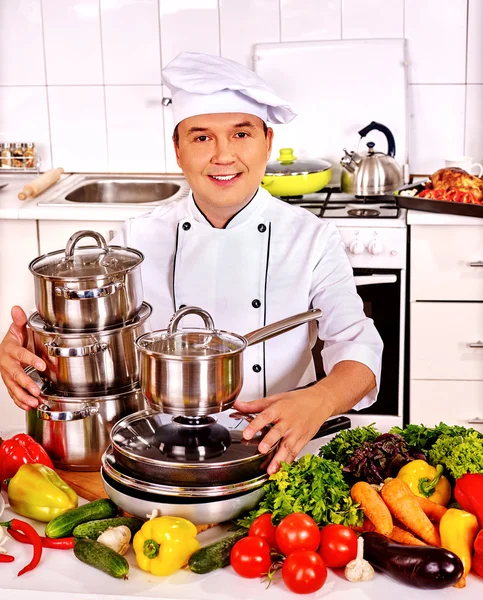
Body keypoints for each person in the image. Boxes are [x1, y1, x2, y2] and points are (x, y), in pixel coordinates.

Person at [0, 52, 383, 474]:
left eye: (241, 134)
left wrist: (318, 400)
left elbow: (358, 349)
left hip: (276, 451)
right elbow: (78, 334)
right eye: (202, 138)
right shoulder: (132, 241)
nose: (223, 156)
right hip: (157, 458)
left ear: (268, 143)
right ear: (178, 150)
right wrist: (24, 353)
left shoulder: (311, 238)